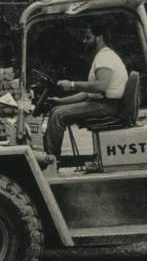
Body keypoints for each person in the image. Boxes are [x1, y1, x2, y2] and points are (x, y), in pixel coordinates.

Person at [42, 23, 128, 159]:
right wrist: (60, 101)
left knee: (58, 115)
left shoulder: (104, 57)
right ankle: (51, 157)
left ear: (99, 38)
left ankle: (51, 161)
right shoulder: (102, 56)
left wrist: (71, 84)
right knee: (56, 110)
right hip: (103, 103)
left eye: (88, 37)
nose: (84, 41)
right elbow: (88, 93)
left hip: (108, 106)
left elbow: (100, 86)